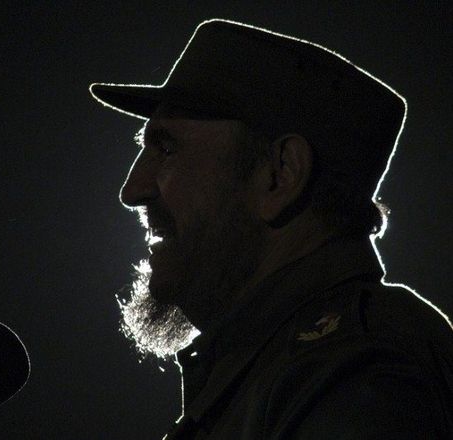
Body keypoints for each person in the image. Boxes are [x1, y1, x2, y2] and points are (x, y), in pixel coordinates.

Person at [89, 19, 453, 439]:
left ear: (280, 175)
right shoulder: (290, 367)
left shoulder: (355, 369)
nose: (132, 189)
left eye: (167, 148)